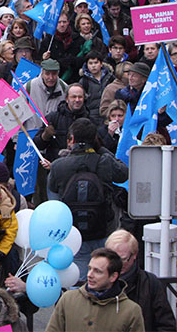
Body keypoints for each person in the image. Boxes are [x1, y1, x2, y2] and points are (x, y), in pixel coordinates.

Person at [47, 118, 129, 279]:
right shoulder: (104, 161)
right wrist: (102, 149)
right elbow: (123, 173)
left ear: (71, 139)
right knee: (104, 275)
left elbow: (53, 198)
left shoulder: (58, 166)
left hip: (73, 233)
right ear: (95, 139)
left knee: (80, 278)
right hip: (103, 228)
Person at [45, 248, 144, 332]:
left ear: (113, 277)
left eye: (97, 271)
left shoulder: (131, 311)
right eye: (89, 269)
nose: (89, 275)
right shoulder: (68, 299)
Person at [105, 230, 176, 332]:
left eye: (123, 259)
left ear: (134, 255)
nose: (117, 264)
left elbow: (166, 325)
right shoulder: (98, 282)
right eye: (112, 258)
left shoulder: (150, 283)